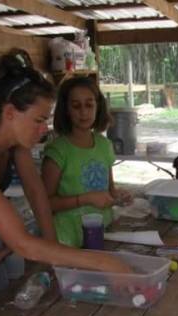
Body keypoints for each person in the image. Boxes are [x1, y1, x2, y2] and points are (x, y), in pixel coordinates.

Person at [0, 53, 131, 316]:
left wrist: (54, 252)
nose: (44, 129)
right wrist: (105, 263)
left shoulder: (15, 144)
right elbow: (22, 243)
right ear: (9, 113)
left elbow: (37, 196)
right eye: (38, 120)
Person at [42, 77, 132, 248]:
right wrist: (85, 199)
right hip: (67, 240)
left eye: (89, 105)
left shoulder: (105, 145)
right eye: (76, 106)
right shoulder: (58, 151)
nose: (83, 112)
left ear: (98, 107)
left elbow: (109, 190)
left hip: (104, 232)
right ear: (66, 110)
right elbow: (45, 204)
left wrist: (119, 195)